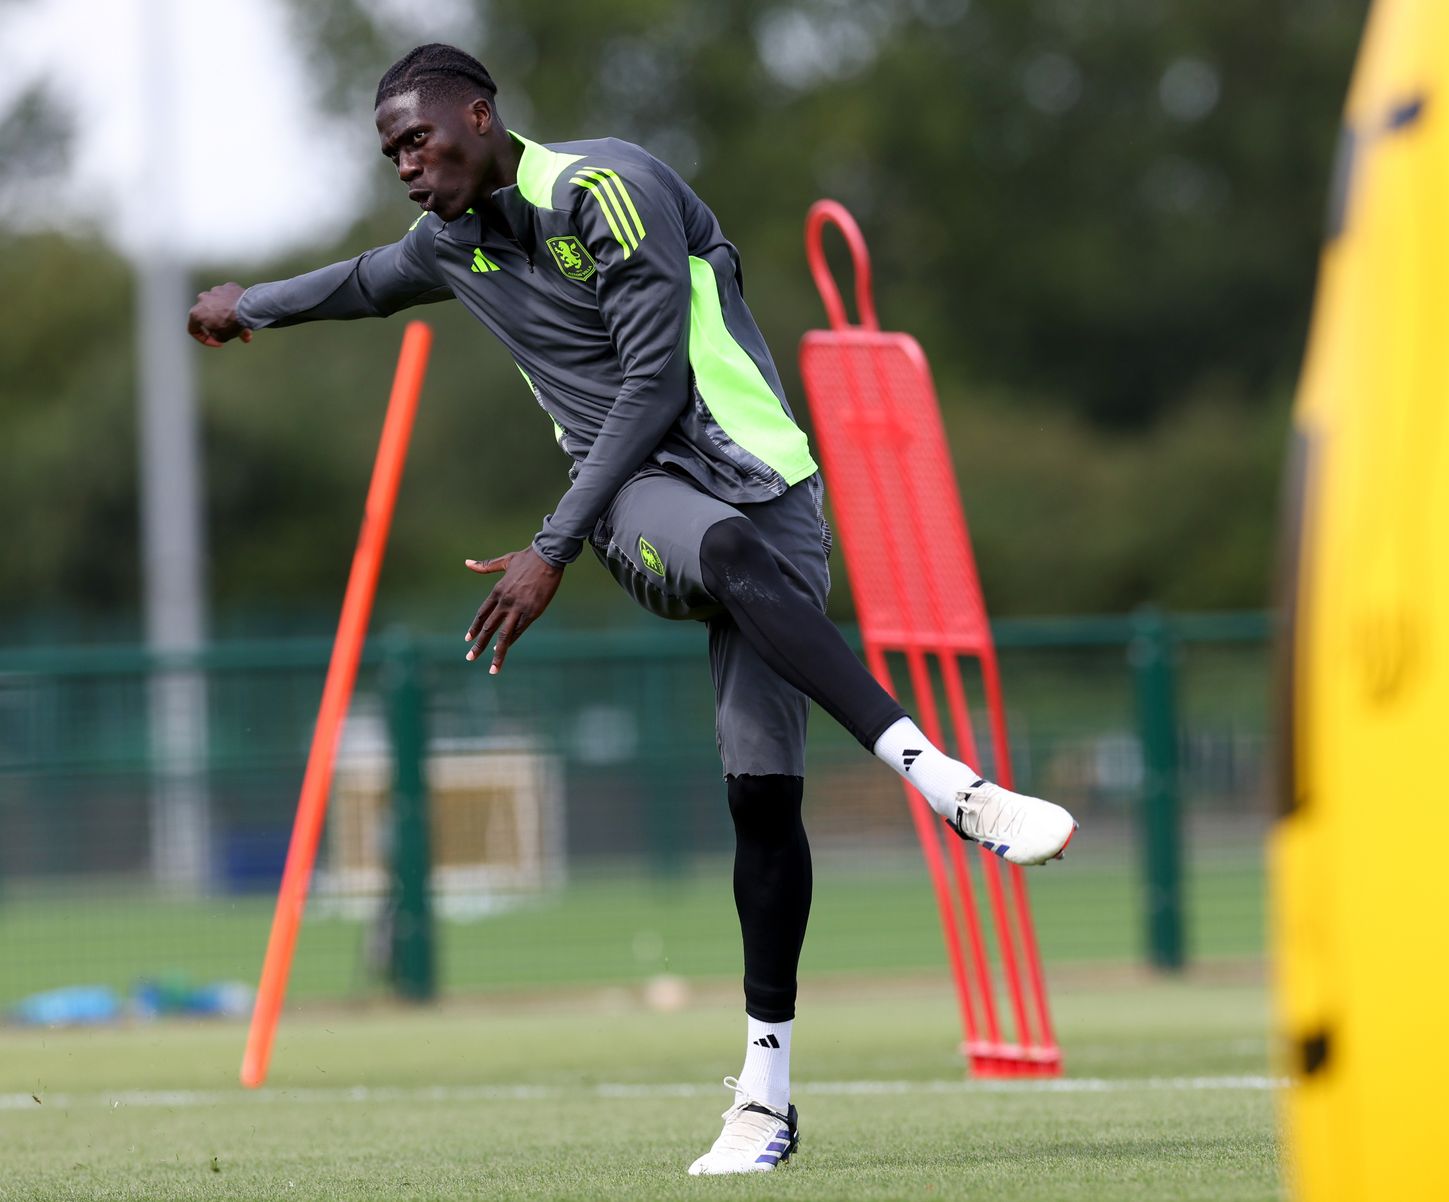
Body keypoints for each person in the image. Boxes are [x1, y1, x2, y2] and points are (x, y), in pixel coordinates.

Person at [187, 43, 1076, 1176]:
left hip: (772, 484)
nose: (409, 165)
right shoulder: (449, 245)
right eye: (392, 151)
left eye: (421, 136)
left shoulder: (605, 191)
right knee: (725, 547)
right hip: (636, 498)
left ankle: (765, 1098)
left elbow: (661, 377)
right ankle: (947, 782)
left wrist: (543, 551)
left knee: (763, 799)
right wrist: (243, 305)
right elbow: (361, 284)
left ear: (481, 111)